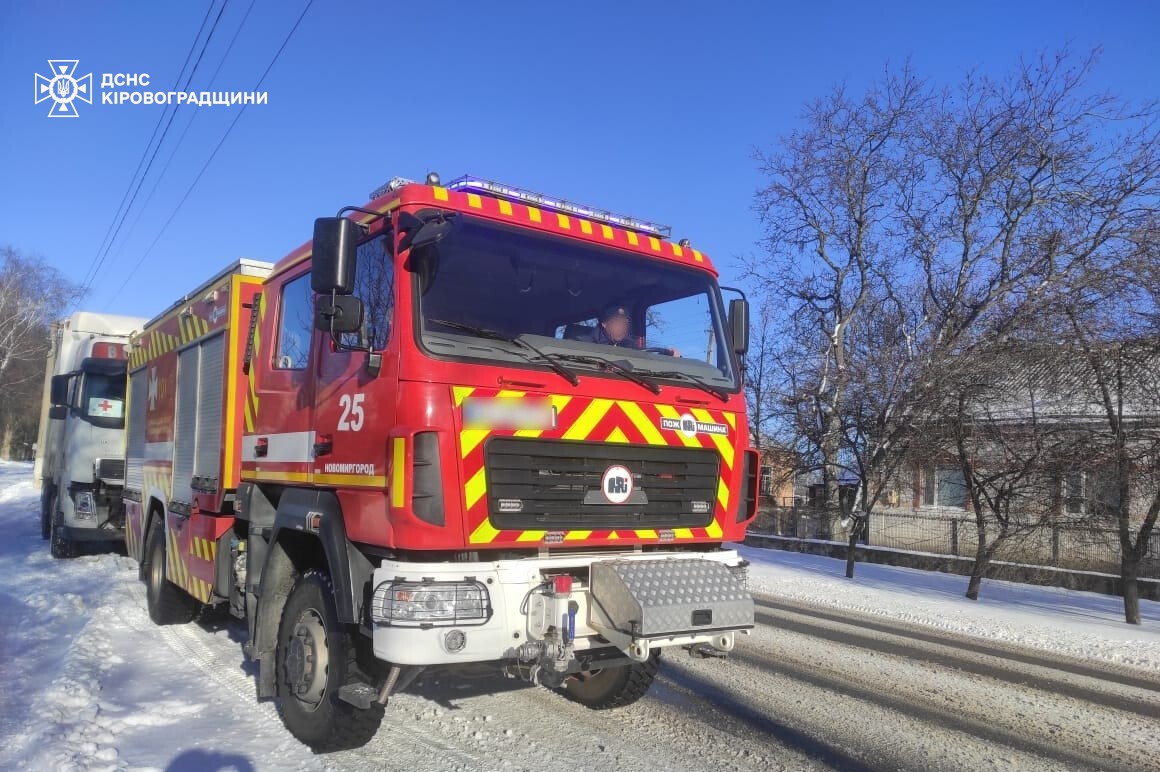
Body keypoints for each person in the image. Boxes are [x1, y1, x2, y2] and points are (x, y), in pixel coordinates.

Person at [582, 305, 679, 356]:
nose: (621, 328)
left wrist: (667, 357)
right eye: (617, 323)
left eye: (624, 324)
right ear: (604, 324)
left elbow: (644, 362)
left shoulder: (630, 346)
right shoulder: (585, 344)